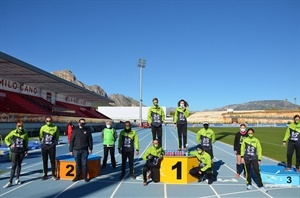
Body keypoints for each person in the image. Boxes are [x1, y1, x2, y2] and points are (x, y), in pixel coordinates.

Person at [3, 121, 28, 188]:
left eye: (21, 126)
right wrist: (10, 145)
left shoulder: (25, 133)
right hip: (14, 151)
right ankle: (10, 181)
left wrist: (26, 150)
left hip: (22, 151)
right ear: (17, 126)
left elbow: (26, 142)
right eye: (19, 126)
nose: (20, 127)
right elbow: (6, 138)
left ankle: (17, 179)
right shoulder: (13, 132)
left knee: (19, 164)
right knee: (13, 165)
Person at [241, 128, 267, 192]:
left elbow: (259, 149)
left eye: (251, 133)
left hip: (254, 158)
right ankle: (249, 184)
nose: (250, 134)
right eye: (249, 133)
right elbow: (242, 148)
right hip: (247, 158)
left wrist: (259, 159)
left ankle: (260, 185)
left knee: (257, 171)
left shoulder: (256, 140)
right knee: (248, 171)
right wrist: (242, 157)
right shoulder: (245, 140)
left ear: (253, 133)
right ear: (247, 133)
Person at [39, 116, 59, 180]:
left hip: (52, 146)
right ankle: (45, 174)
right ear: (45, 121)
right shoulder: (43, 128)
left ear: (51, 121)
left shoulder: (55, 127)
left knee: (52, 161)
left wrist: (54, 143)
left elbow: (57, 136)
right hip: (44, 146)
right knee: (45, 161)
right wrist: (42, 143)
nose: (48, 122)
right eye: (47, 121)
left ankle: (54, 174)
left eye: (49, 121)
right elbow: (40, 136)